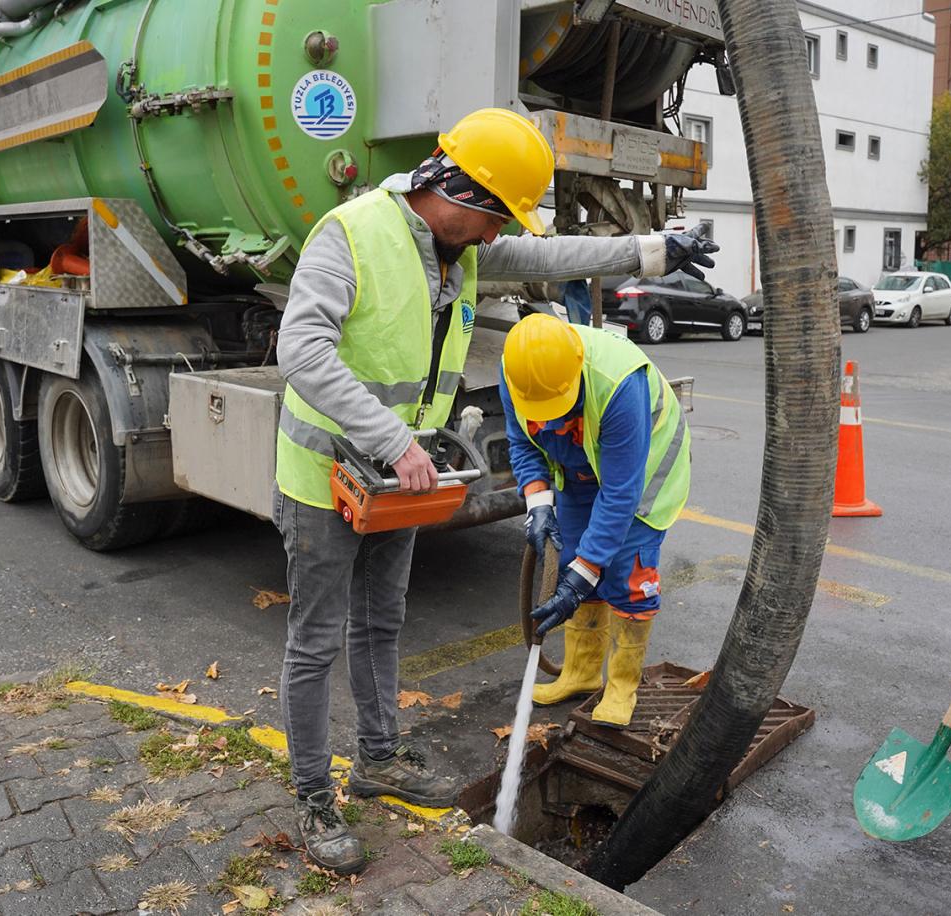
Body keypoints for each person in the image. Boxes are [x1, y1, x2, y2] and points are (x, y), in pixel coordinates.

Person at [273, 107, 719, 872]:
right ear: (458, 191)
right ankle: (314, 798)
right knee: (315, 642)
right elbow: (301, 351)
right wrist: (391, 441)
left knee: (382, 625)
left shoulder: (462, 247)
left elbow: (554, 256)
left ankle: (378, 759)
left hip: (400, 480)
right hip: (327, 478)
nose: (494, 238)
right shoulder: (349, 235)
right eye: (493, 219)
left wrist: (654, 249)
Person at [500, 313, 693, 728]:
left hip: (643, 473)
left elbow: (622, 491)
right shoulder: (517, 371)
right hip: (580, 468)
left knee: (627, 573)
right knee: (573, 557)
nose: (547, 420)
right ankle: (582, 673)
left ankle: (622, 684)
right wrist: (538, 505)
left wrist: (586, 572)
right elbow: (522, 442)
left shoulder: (618, 383)